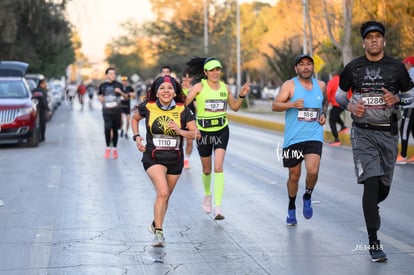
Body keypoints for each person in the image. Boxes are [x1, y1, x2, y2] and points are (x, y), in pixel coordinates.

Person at [335, 21, 414, 262]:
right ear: (363, 42)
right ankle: (374, 243)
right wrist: (350, 105)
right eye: (369, 37)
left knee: (383, 187)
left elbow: (411, 96)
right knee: (370, 182)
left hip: (388, 133)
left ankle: (373, 207)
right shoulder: (353, 67)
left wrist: (396, 99)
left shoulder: (397, 67)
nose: (374, 40)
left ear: (384, 41)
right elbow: (339, 95)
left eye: (378, 36)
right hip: (363, 133)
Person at [131, 75, 200, 247]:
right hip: (153, 157)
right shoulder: (148, 106)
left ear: (175, 92)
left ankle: (156, 223)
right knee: (162, 192)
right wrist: (137, 136)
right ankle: (159, 234)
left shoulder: (183, 109)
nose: (166, 91)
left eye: (170, 88)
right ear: (156, 91)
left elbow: (196, 133)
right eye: (162, 88)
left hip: (175, 159)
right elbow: (134, 118)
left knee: (166, 196)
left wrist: (179, 131)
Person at [185, 57, 251, 220]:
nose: (215, 73)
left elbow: (234, 107)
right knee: (207, 169)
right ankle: (207, 196)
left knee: (219, 167)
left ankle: (218, 207)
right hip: (204, 132)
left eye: (218, 69)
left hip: (221, 130)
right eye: (212, 70)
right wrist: (191, 121)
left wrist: (241, 95)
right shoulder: (199, 87)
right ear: (206, 72)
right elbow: (184, 105)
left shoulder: (225, 87)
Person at [271, 54, 327, 226]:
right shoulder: (290, 85)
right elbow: (275, 105)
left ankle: (308, 195)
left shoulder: (321, 85)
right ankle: (291, 206)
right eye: (302, 64)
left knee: (313, 171)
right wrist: (291, 105)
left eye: (309, 64)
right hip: (294, 138)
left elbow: (323, 103)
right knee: (294, 176)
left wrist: (324, 113)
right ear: (296, 68)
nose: (306, 67)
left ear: (313, 67)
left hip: (314, 136)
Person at [97, 67, 130, 159]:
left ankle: (114, 149)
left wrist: (120, 92)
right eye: (111, 73)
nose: (113, 75)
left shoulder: (119, 85)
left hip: (117, 110)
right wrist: (100, 98)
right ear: (106, 75)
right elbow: (99, 95)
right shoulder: (102, 85)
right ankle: (108, 147)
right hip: (106, 110)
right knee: (107, 127)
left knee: (115, 129)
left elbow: (126, 97)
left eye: (114, 73)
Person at [396, 56, 414, 164]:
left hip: (410, 106)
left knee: (404, 129)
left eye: (405, 64)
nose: (404, 66)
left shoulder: (410, 73)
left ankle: (403, 156)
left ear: (409, 63)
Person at [326, 72, 349, 146]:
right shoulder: (344, 80)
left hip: (336, 103)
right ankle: (343, 127)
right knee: (335, 115)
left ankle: (336, 139)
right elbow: (350, 90)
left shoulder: (332, 81)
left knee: (331, 120)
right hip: (344, 103)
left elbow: (328, 91)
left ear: (333, 75)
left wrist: (328, 101)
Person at [181, 70, 196, 169]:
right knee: (179, 141)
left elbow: (196, 105)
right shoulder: (177, 88)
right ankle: (179, 158)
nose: (186, 79)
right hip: (179, 118)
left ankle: (186, 159)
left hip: (191, 119)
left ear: (192, 79)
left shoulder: (195, 90)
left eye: (189, 77)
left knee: (190, 141)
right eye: (184, 77)